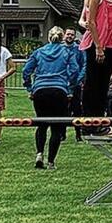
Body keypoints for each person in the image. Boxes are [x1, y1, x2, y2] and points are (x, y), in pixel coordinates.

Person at [23, 26, 79, 169]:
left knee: (41, 124)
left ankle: (39, 153)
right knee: (56, 127)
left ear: (49, 37)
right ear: (62, 38)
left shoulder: (39, 52)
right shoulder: (66, 51)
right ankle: (51, 161)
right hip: (59, 90)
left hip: (40, 90)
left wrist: (30, 87)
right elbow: (74, 70)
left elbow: (26, 70)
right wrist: (70, 87)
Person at [78, 0, 112, 134]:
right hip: (98, 45)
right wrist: (98, 47)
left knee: (103, 84)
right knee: (93, 84)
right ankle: (90, 122)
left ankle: (98, 120)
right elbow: (91, 22)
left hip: (110, 44)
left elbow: (83, 20)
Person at [63, 27, 86, 142]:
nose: (70, 36)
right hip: (62, 84)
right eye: (68, 34)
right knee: (62, 110)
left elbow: (84, 65)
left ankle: (78, 134)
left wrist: (79, 79)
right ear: (64, 35)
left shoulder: (79, 49)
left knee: (77, 110)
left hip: (76, 84)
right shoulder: (60, 49)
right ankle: (62, 134)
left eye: (72, 35)